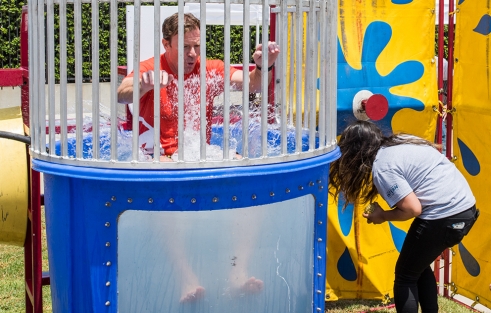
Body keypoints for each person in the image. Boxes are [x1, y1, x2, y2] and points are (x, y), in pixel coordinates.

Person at [329, 120, 479, 313]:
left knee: (405, 276)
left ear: (355, 152)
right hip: (465, 209)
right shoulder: (400, 140)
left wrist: (382, 215)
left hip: (443, 215)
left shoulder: (382, 167)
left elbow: (412, 209)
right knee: (418, 266)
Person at [117, 12, 280, 161]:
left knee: (239, 161)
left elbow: (254, 85)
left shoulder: (210, 70)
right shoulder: (151, 68)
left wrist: (264, 66)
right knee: (165, 163)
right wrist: (143, 86)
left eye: (197, 46)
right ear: (166, 44)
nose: (193, 53)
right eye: (185, 47)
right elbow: (121, 94)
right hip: (155, 154)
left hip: (196, 153)